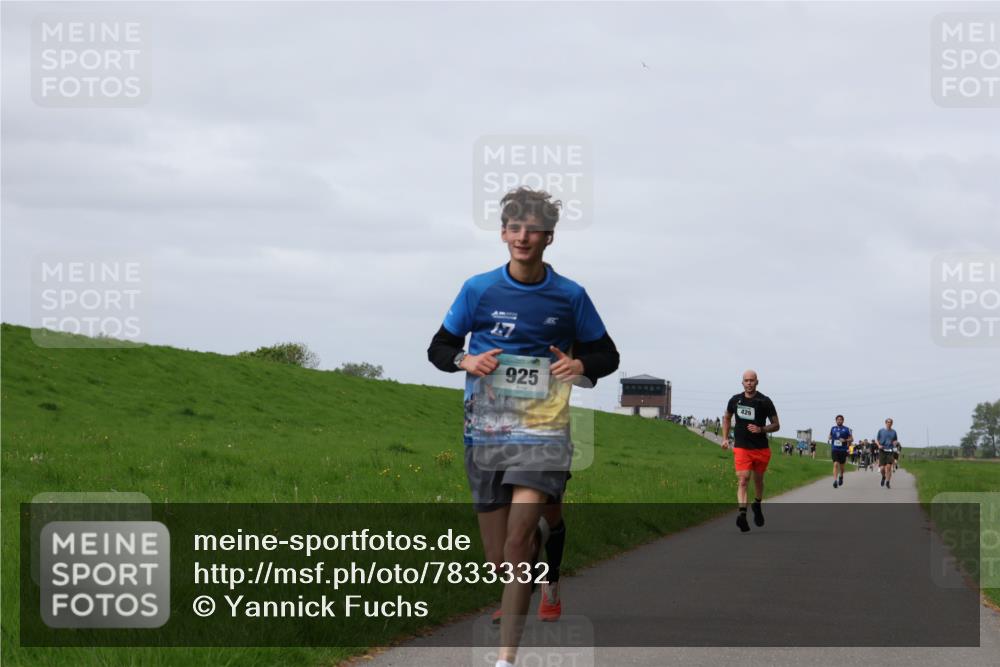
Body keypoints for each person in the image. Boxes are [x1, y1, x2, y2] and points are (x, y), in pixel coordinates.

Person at [427, 187, 619, 666]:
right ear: (503, 234)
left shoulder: (570, 296)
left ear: (549, 237)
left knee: (517, 544)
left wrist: (579, 365)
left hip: (543, 431)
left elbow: (608, 355)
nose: (523, 237)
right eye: (514, 228)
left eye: (533, 229)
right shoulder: (478, 289)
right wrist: (465, 360)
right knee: (501, 560)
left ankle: (505, 659)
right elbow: (439, 347)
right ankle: (543, 545)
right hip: (485, 431)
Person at [721, 370, 780, 532]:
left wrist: (761, 429)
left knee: (758, 480)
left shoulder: (764, 401)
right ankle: (742, 514)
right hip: (742, 446)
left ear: (757, 382)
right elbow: (727, 418)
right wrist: (725, 438)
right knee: (743, 479)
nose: (749, 383)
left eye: (752, 380)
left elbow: (776, 425)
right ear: (742, 383)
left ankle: (757, 504)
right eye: (746, 380)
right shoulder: (735, 400)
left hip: (761, 448)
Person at [829, 415, 853, 488]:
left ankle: (841, 476)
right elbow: (830, 436)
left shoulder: (846, 429)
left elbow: (852, 439)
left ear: (843, 421)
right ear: (836, 421)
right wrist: (830, 438)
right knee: (835, 464)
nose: (839, 421)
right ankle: (835, 481)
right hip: (835, 449)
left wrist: (845, 440)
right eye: (838, 420)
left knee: (842, 467)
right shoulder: (833, 428)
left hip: (843, 450)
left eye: (840, 420)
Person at [876, 418, 899, 489]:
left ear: (892, 424)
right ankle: (883, 476)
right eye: (888, 422)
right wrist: (879, 445)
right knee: (882, 468)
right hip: (882, 450)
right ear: (885, 423)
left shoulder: (894, 432)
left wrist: (895, 444)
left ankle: (888, 482)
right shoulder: (881, 431)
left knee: (889, 467)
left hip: (890, 451)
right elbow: (877, 440)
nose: (889, 423)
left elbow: (895, 441)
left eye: (890, 422)